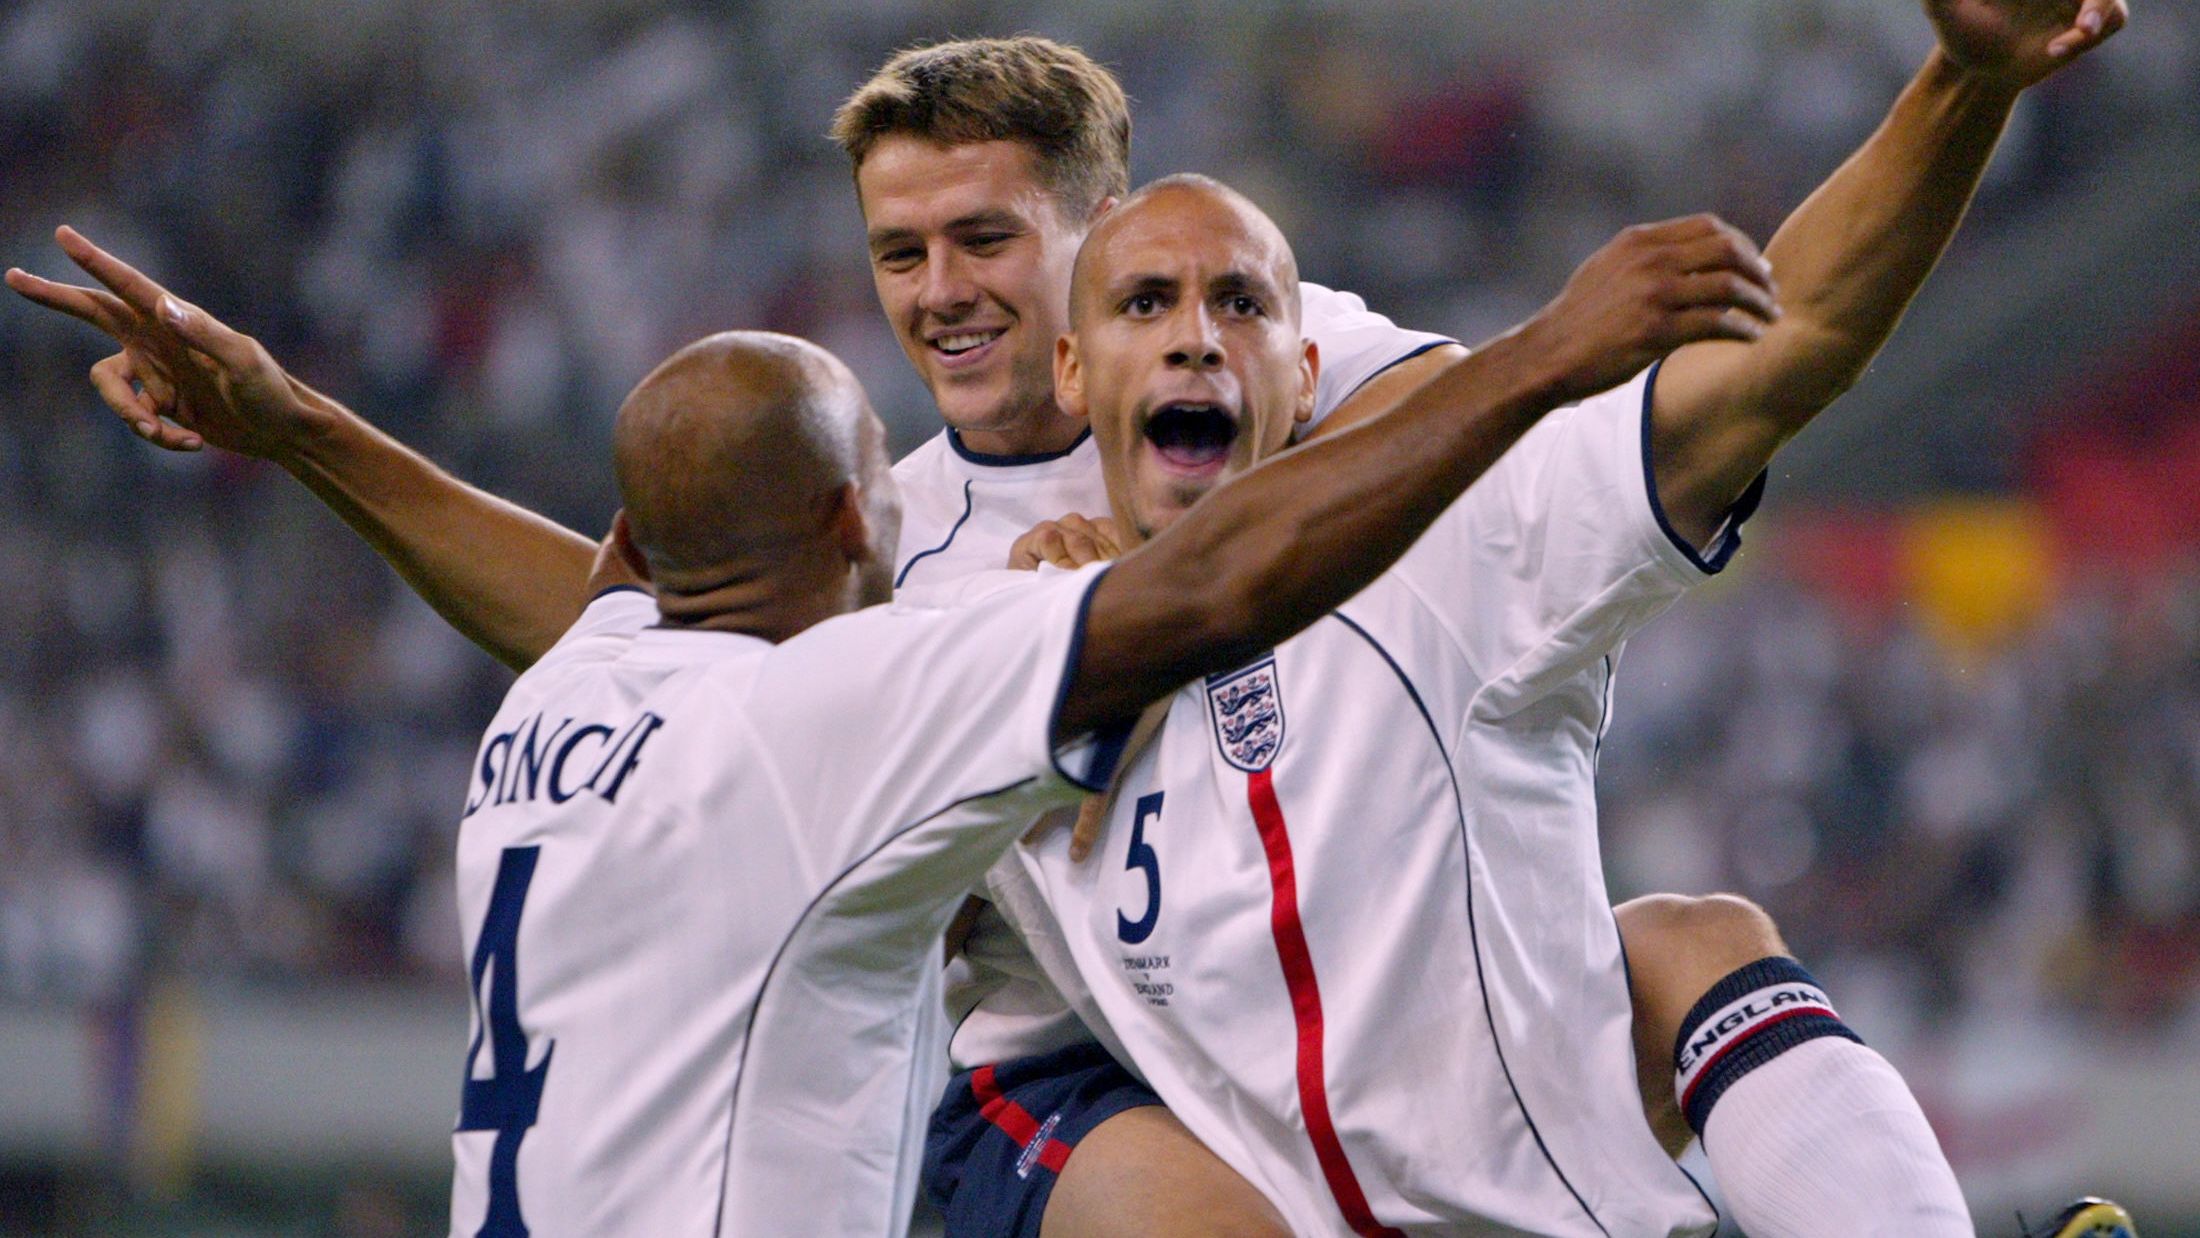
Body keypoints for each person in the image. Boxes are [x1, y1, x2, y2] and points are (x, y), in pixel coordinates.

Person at [6, 0, 2134, 1230]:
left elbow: (1770, 345)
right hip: (1071, 1083)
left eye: (985, 240)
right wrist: (298, 430)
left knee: (1683, 944)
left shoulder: (1378, 409)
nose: (935, 289)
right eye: (896, 246)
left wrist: (1951, 86)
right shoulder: (886, 542)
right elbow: (614, 630)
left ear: (1120, 246)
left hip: (1403, 1071)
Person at [14, 197, 1776, 1232]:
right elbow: (1218, 594)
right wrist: (1548, 356)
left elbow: (580, 596)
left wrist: (299, 426)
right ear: (858, 530)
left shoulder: (559, 707)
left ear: (633, 550)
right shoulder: (836, 721)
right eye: (894, 493)